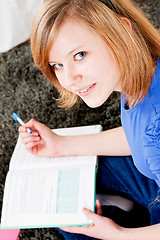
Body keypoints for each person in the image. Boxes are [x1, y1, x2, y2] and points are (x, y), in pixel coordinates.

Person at [19, 0, 160, 239]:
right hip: (150, 172)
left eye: (80, 55)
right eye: (58, 65)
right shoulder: (142, 74)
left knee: (75, 225)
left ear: (122, 31)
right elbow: (140, 137)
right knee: (65, 192)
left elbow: (151, 140)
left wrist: (117, 234)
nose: (70, 79)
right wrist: (60, 145)